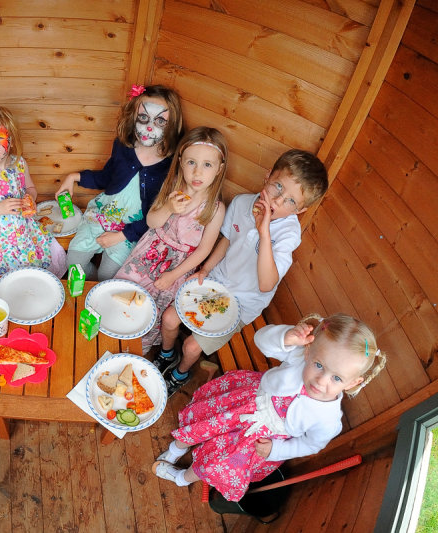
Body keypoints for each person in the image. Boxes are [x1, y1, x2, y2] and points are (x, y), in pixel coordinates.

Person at [152, 313, 387, 502]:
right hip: (244, 401)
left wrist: (276, 451)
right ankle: (175, 449)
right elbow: (262, 341)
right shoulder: (299, 356)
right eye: (318, 365)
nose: (321, 381)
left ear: (353, 383)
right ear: (308, 351)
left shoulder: (328, 419)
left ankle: (183, 477)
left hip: (259, 440)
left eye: (337, 378)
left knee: (217, 463)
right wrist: (288, 338)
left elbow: (311, 444)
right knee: (203, 424)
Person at [155, 149, 329, 395]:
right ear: (267, 177)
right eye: (278, 187)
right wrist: (205, 269)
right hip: (217, 281)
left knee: (193, 347)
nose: (278, 201)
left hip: (242, 303)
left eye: (290, 201)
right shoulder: (240, 203)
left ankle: (180, 373)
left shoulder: (289, 234)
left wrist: (264, 231)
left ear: (299, 211)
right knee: (169, 319)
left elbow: (267, 284)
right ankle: (165, 354)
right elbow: (226, 240)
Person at [115, 126, 228, 353]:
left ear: (219, 169)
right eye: (191, 162)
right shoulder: (173, 188)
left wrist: (172, 276)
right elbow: (152, 221)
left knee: (154, 308)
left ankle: (140, 348)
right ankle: (118, 332)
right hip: (148, 253)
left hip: (177, 266)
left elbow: (203, 250)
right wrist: (168, 207)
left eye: (207, 165)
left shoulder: (216, 209)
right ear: (180, 161)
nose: (197, 173)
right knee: (127, 292)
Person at [56, 84, 184, 280]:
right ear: (133, 117)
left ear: (172, 124)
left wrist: (121, 236)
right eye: (143, 117)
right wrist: (73, 177)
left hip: (131, 229)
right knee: (74, 263)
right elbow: (107, 177)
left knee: (108, 275)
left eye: (160, 121)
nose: (149, 127)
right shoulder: (123, 147)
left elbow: (156, 216)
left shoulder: (170, 166)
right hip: (102, 214)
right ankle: (86, 288)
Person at [0, 104, 66, 295]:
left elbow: (31, 188)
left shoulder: (19, 164)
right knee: (6, 285)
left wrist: (30, 199)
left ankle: (31, 294)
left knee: (28, 273)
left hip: (22, 235)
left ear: (11, 139)